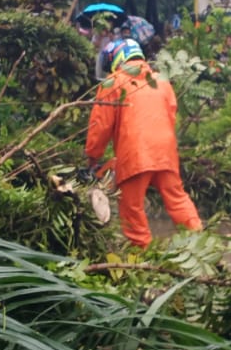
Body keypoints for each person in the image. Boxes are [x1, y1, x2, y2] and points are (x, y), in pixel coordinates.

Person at [85, 39, 203, 248]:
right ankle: (200, 244)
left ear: (116, 59)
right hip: (165, 153)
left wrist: (93, 157)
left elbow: (100, 125)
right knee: (177, 199)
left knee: (131, 208)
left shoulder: (113, 83)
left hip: (135, 154)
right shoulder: (162, 82)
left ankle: (143, 258)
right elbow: (171, 117)